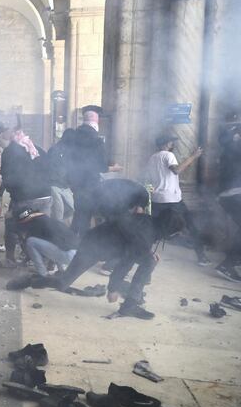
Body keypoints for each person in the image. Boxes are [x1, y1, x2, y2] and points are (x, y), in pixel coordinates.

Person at [53, 179, 159, 319]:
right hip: (98, 216)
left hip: (99, 213)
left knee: (73, 270)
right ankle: (120, 287)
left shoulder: (128, 198)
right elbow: (126, 231)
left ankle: (58, 279)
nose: (138, 214)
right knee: (123, 250)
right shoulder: (124, 203)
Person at [144, 135, 207, 265]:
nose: (173, 144)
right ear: (167, 143)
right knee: (191, 225)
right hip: (171, 199)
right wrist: (194, 156)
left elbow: (151, 179)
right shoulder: (168, 155)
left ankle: (144, 255)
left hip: (157, 198)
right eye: (172, 142)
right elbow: (176, 170)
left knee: (151, 228)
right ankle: (202, 257)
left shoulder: (152, 158)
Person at [0, 129, 52, 265]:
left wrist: (14, 194)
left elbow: (7, 177)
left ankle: (11, 259)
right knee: (41, 227)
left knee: (14, 224)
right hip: (45, 197)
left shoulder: (10, 151)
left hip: (26, 198)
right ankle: (45, 259)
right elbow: (49, 169)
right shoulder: (37, 148)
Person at [68, 106, 113, 235]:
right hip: (89, 184)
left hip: (75, 183)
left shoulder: (73, 136)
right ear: (95, 121)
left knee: (79, 214)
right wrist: (112, 167)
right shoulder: (96, 140)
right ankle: (83, 247)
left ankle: (69, 242)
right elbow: (101, 166)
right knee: (86, 216)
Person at [216, 117, 241, 282]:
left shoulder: (228, 149)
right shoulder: (234, 148)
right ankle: (228, 263)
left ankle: (233, 260)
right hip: (234, 194)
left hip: (229, 194)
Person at [17, 209, 78, 276]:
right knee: (56, 244)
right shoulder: (47, 219)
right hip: (77, 256)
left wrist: (23, 262)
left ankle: (43, 274)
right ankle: (61, 271)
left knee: (30, 241)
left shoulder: (35, 224)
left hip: (68, 256)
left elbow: (31, 250)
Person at [47, 129, 76, 223]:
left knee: (70, 209)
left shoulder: (68, 150)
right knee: (59, 212)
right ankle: (56, 232)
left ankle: (61, 230)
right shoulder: (56, 150)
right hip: (54, 184)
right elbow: (52, 167)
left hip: (64, 185)